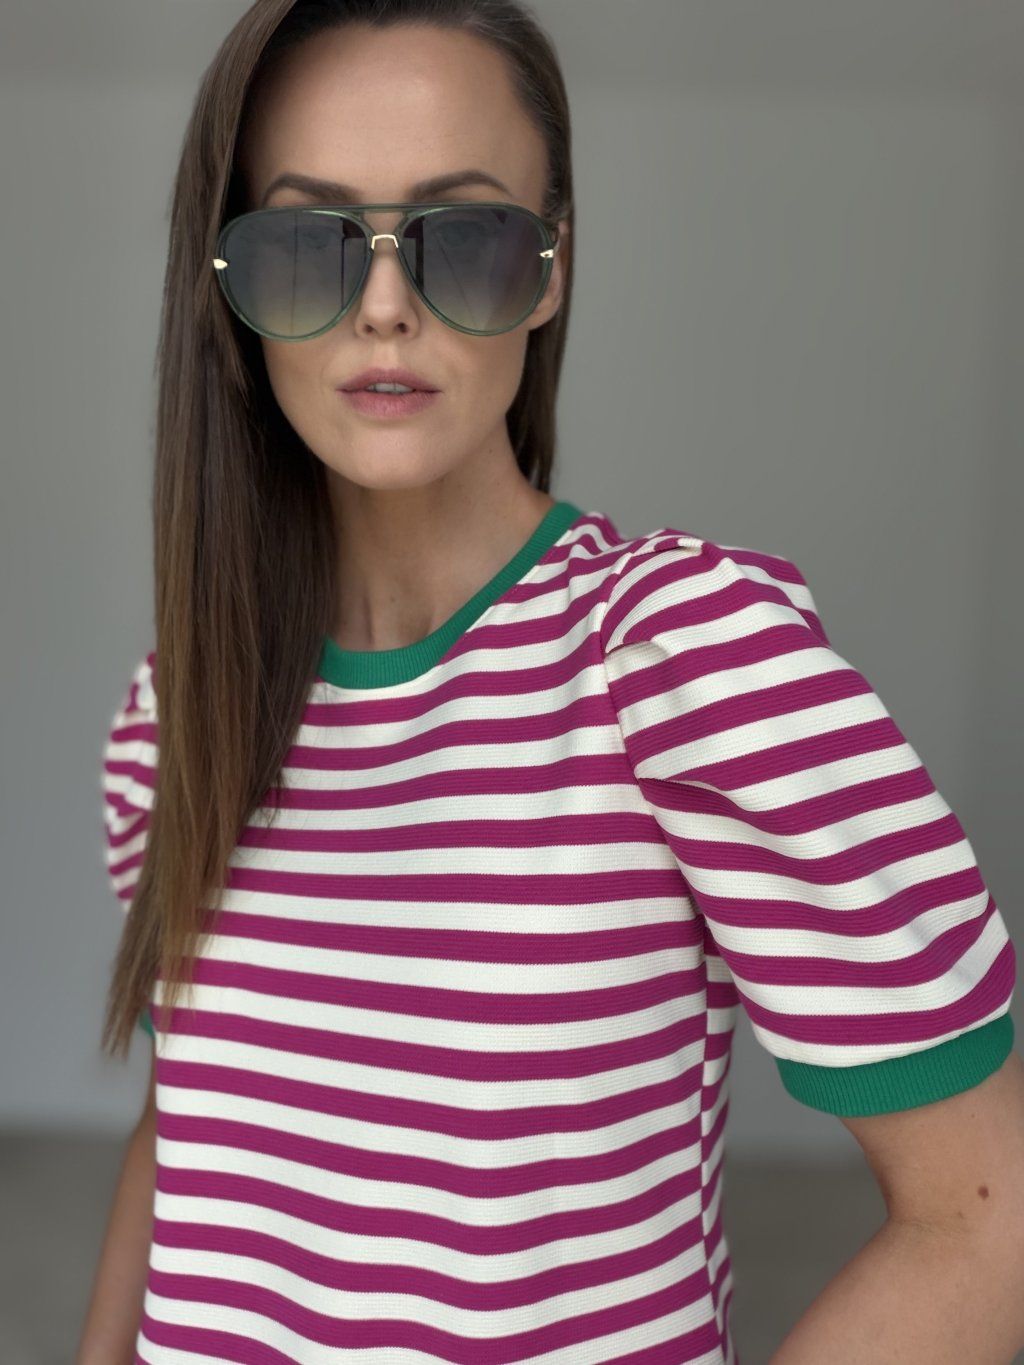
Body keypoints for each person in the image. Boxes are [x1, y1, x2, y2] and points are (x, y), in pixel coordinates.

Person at [80, 2, 1023, 1362]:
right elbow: (187, 1133)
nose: (385, 306)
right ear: (228, 282)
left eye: (463, 236)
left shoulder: (691, 659)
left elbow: (983, 1212)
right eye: (306, 242)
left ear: (551, 268)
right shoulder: (181, 708)